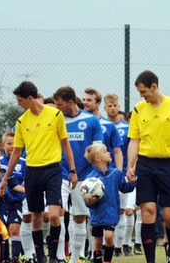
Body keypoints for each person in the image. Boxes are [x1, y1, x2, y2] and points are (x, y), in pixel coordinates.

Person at [0, 81, 77, 263]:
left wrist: (72, 171)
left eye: (20, 100)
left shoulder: (55, 114)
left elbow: (65, 143)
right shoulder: (21, 121)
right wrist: (5, 179)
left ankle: (55, 255)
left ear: (30, 98)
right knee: (35, 217)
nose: (18, 103)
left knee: (54, 215)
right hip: (32, 172)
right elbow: (17, 152)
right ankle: (40, 257)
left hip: (53, 171)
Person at [126, 70, 170, 263]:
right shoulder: (139, 109)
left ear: (154, 87)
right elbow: (134, 140)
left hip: (169, 166)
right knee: (147, 211)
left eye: (143, 91)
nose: (141, 96)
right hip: (146, 165)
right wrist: (131, 166)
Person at [54, 86, 103, 263]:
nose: (57, 108)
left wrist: (96, 173)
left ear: (70, 102)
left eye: (60, 105)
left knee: (79, 217)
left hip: (85, 176)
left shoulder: (91, 121)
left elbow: (98, 149)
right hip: (59, 175)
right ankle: (59, 256)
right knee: (56, 214)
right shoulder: (56, 120)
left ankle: (76, 258)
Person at [84, 143, 137, 263]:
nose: (109, 153)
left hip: (111, 213)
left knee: (108, 236)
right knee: (97, 241)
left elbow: (124, 188)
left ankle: (107, 260)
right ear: (98, 158)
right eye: (105, 152)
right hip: (97, 214)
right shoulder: (90, 179)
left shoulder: (116, 174)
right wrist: (89, 202)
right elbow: (87, 200)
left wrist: (132, 182)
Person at [103, 93, 137, 257]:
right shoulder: (100, 126)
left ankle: (121, 246)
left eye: (115, 105)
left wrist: (129, 169)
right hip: (102, 174)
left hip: (122, 173)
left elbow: (131, 150)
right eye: (109, 106)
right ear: (105, 108)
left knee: (122, 210)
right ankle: (103, 245)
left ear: (118, 107)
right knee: (102, 210)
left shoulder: (127, 128)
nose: (112, 108)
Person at [0, 132, 27, 263]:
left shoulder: (25, 163)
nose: (12, 146)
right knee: (2, 230)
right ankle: (3, 258)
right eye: (9, 144)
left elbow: (28, 181)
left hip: (17, 202)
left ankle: (15, 257)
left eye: (15, 144)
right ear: (3, 145)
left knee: (15, 229)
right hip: (1, 203)